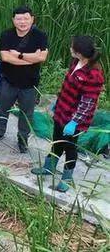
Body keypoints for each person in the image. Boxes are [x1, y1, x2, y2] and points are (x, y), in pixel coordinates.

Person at [32, 36, 104, 192]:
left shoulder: (93, 75)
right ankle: (49, 167)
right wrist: (57, 104)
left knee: (70, 147)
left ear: (80, 51)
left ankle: (67, 178)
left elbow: (87, 104)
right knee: (56, 140)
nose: (70, 49)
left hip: (74, 119)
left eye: (72, 47)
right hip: (62, 112)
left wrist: (74, 122)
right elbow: (66, 87)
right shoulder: (75, 63)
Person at [0, 5, 49, 153]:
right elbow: (5, 57)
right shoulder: (7, 35)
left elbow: (42, 57)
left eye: (26, 18)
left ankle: (22, 139)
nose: (22, 22)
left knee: (26, 113)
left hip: (30, 82)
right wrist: (31, 59)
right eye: (19, 18)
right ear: (13, 20)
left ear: (32, 19)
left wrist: (19, 55)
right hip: (9, 80)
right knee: (3, 108)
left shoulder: (40, 36)